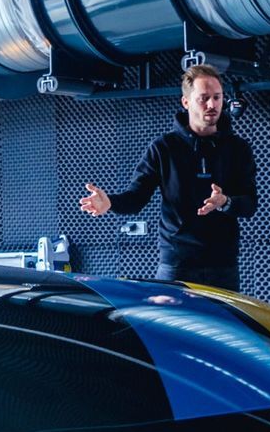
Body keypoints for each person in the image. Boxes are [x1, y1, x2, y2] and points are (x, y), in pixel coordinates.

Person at [78, 64, 258, 291]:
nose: (212, 105)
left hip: (223, 266)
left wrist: (225, 202)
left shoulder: (238, 148)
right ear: (186, 102)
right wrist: (110, 203)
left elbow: (250, 205)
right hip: (177, 265)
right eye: (204, 98)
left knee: (224, 327)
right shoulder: (164, 148)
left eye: (217, 97)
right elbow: (136, 197)